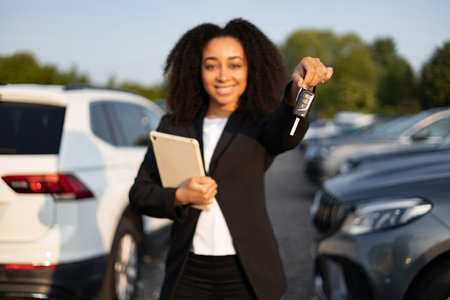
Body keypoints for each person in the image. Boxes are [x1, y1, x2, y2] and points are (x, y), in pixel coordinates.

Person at [129, 18, 333, 300]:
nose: (223, 75)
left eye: (234, 64)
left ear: (251, 70)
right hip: (188, 274)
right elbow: (139, 194)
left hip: (247, 274)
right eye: (211, 65)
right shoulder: (173, 125)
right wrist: (179, 195)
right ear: (197, 70)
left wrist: (299, 92)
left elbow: (289, 134)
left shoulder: (260, 123)